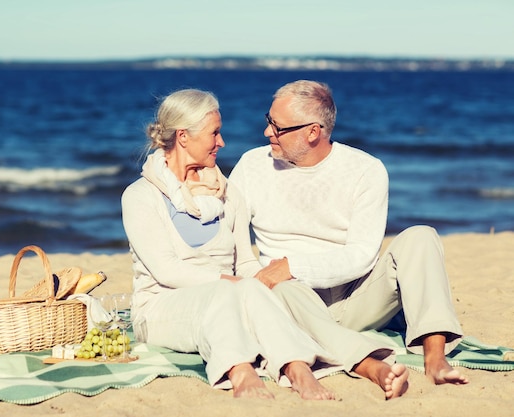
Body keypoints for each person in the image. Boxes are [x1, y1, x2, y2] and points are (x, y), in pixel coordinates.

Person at [229, 80, 469, 396]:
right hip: (286, 300)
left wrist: (292, 265)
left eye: (278, 126)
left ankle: (435, 359)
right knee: (286, 289)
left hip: (354, 300)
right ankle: (370, 363)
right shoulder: (251, 166)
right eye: (268, 120)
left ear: (312, 132)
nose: (267, 132)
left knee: (421, 236)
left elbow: (361, 256)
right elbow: (231, 239)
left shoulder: (365, 170)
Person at [121, 88, 342, 401]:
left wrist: (265, 281)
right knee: (234, 290)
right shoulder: (140, 196)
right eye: (215, 133)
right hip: (161, 307)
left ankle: (297, 369)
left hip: (228, 297)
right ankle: (241, 372)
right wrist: (235, 285)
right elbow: (167, 271)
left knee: (261, 287)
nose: (222, 142)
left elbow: (246, 264)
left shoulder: (227, 193)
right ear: (183, 137)